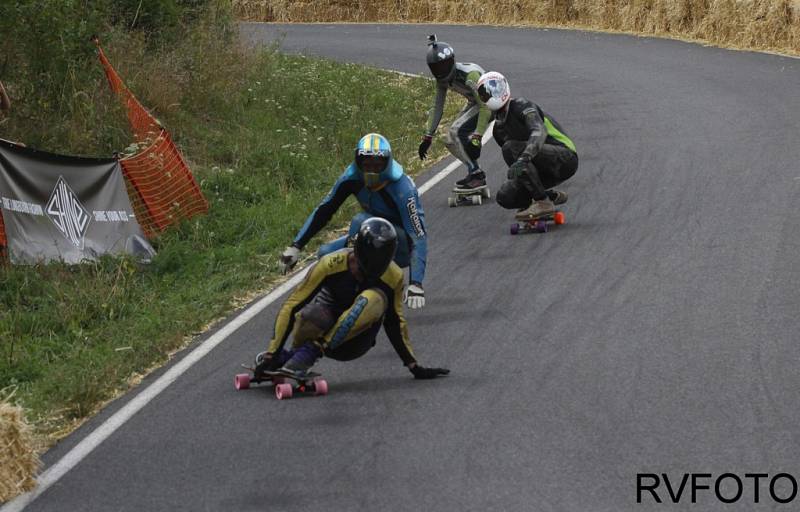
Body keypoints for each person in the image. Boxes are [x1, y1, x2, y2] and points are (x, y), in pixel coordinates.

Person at [256, 217, 449, 381]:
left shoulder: (394, 276)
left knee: (372, 297)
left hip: (355, 342)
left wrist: (414, 365)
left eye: (384, 259)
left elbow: (394, 322)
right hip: (323, 325)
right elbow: (293, 305)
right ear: (358, 250)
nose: (377, 266)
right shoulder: (330, 264)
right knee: (310, 313)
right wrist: (273, 351)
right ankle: (290, 357)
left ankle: (310, 352)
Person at [280, 133, 428, 309]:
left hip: (399, 247)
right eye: (366, 164)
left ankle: (356, 283)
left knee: (360, 220)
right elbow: (325, 209)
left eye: (377, 164)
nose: (371, 170)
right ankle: (346, 287)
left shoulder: (403, 189)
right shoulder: (350, 178)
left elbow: (417, 235)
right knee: (326, 254)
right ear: (358, 163)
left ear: (387, 164)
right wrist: (296, 245)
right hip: (373, 237)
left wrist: (416, 283)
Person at [476, 71, 578, 219]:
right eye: (486, 93)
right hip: (541, 169)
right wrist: (517, 173)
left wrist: (524, 158)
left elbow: (539, 131)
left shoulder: (522, 106)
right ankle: (547, 196)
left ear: (504, 88)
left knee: (510, 148)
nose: (493, 94)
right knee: (505, 196)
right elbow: (519, 167)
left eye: (496, 89)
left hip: (564, 157)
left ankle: (543, 202)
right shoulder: (498, 131)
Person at [418, 35, 491, 191]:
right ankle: (474, 171)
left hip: (490, 103)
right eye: (437, 68)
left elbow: (485, 107)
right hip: (475, 103)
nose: (442, 71)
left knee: (456, 131)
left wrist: (477, 136)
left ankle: (477, 176)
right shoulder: (441, 80)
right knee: (449, 139)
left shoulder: (469, 76)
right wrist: (428, 136)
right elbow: (437, 106)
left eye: (444, 66)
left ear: (452, 61)